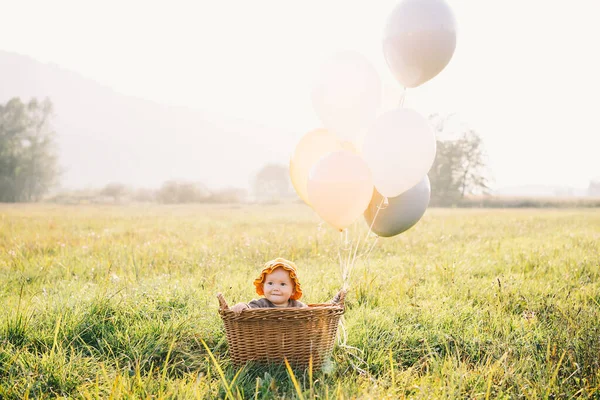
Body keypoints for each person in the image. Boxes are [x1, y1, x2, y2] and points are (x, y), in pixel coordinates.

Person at [231, 257, 308, 313]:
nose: (276, 288)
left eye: (282, 284)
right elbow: (249, 309)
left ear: (293, 290)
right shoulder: (260, 304)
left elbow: (309, 314)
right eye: (270, 283)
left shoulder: (298, 306)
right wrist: (243, 306)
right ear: (262, 286)